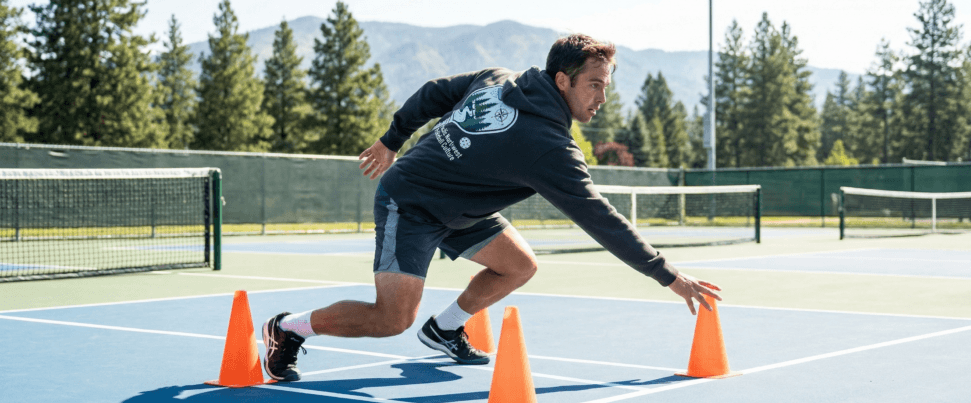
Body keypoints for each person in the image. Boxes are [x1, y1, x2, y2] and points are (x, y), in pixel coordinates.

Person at [262, 33, 722, 382]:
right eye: (594, 85)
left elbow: (434, 91)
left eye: (606, 86)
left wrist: (392, 139)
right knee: (392, 319)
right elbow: (601, 219)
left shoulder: (501, 77)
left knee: (519, 265)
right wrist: (668, 275)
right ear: (562, 80)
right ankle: (289, 327)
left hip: (462, 209)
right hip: (413, 201)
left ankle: (445, 330)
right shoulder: (549, 147)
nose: (602, 98)